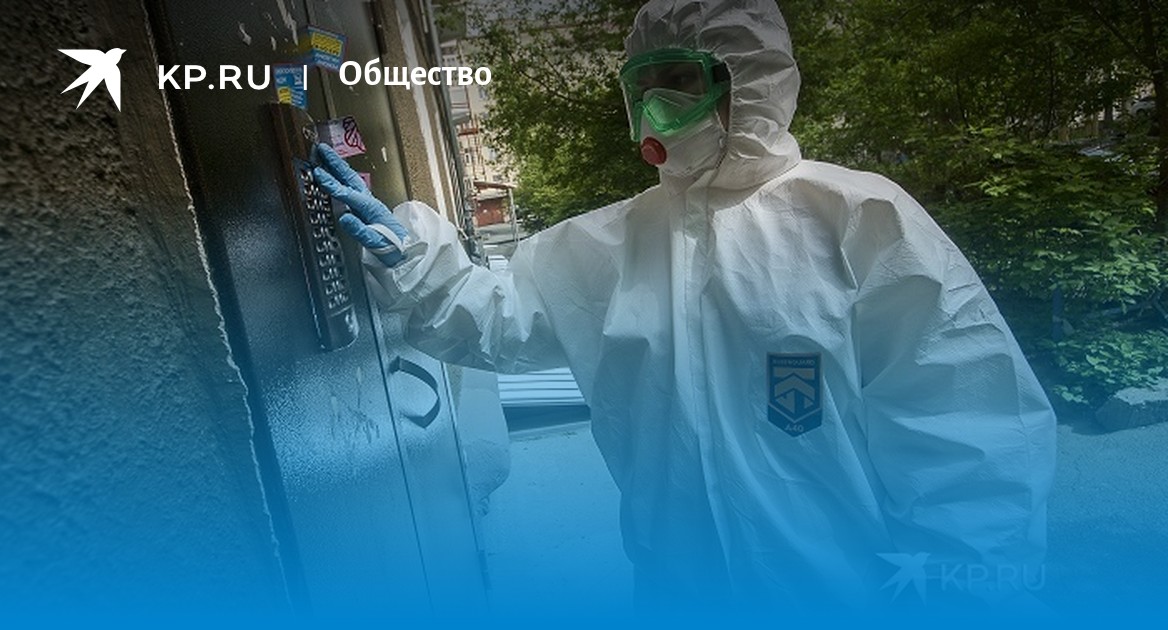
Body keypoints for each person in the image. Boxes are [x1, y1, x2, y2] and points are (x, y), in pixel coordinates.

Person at [313, 0, 1056, 611]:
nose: (655, 107)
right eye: (642, 86)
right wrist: (412, 257)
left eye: (678, 79)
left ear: (750, 80)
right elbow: (500, 319)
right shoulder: (606, 245)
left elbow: (965, 427)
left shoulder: (859, 218)